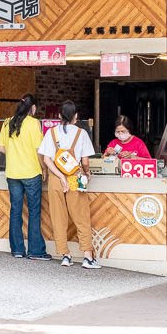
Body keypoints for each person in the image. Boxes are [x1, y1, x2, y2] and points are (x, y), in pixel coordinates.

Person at [37, 100, 101, 269]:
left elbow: (46, 159)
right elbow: (85, 160)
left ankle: (65, 255)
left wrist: (59, 175)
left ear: (59, 116)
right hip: (75, 178)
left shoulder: (51, 133)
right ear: (76, 117)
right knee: (81, 217)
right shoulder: (81, 133)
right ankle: (88, 257)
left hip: (55, 179)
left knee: (58, 217)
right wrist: (86, 172)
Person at [0, 94, 50, 260]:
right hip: (31, 172)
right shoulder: (34, 123)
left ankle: (17, 250)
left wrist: (15, 153)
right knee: (34, 212)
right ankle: (35, 251)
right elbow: (38, 150)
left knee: (15, 210)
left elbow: (1, 148)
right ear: (33, 107)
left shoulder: (7, 122)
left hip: (12, 173)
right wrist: (44, 169)